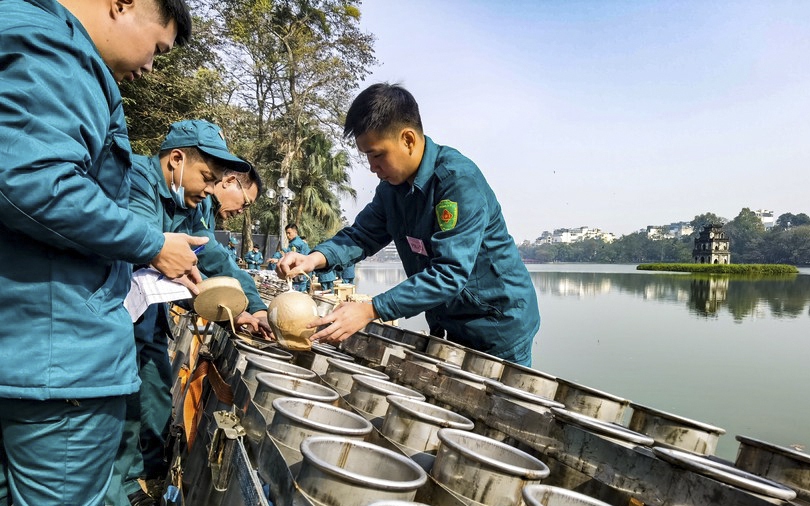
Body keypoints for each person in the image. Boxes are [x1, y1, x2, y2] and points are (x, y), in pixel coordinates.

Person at [0, 1, 198, 505]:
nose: (152, 66)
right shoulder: (58, 50)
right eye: (157, 48)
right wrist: (152, 245)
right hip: (57, 360)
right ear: (123, 3)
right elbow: (35, 180)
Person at [278, 83, 540, 366]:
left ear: (408, 140)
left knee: (499, 406)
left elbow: (450, 272)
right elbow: (361, 235)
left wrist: (371, 309)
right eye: (366, 156)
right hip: (449, 319)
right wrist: (313, 259)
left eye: (377, 154)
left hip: (497, 321)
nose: (371, 166)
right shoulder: (391, 189)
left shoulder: (456, 181)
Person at [108, 120, 271, 506]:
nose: (211, 190)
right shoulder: (136, 180)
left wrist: (254, 306)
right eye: (208, 178)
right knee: (120, 410)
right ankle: (121, 487)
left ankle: (137, 481)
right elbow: (139, 238)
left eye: (216, 181)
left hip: (147, 320)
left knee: (150, 398)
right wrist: (165, 253)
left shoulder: (188, 207)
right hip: (112, 318)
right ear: (176, 160)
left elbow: (218, 260)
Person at [282, 224, 311, 292]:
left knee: (297, 293)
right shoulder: (294, 243)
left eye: (289, 233)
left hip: (298, 273)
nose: (287, 235)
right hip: (297, 272)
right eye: (286, 233)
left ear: (295, 232)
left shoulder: (297, 244)